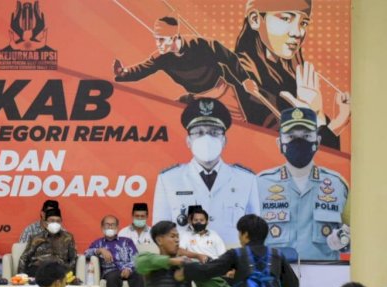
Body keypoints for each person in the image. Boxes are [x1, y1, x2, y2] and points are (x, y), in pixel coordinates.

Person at [235, 0, 350, 149]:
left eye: (303, 23)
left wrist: (338, 120)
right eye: (285, 19)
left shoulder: (289, 76)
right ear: (255, 19)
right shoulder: (242, 76)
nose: (297, 32)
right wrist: (316, 116)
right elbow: (291, 151)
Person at [152, 98, 260, 246]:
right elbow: (160, 234)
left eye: (214, 132)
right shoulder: (169, 179)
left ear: (224, 140)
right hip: (188, 264)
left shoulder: (246, 179)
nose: (207, 138)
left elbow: (255, 234)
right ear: (188, 141)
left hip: (233, 263)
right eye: (199, 132)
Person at [113, 16, 261, 122]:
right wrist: (124, 72)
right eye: (156, 38)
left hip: (220, 93)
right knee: (170, 114)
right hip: (195, 98)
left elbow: (230, 58)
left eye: (162, 39)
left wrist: (245, 79)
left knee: (239, 127)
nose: (157, 44)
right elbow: (141, 69)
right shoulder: (161, 57)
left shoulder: (202, 44)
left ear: (174, 37)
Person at [257, 107, 350, 260]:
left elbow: (356, 235)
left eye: (307, 136)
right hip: (275, 278)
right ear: (279, 142)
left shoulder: (338, 185)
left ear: (318, 142)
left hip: (324, 278)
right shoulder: (260, 184)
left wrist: (344, 241)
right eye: (291, 136)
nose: (299, 142)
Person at [85, 215, 145, 287]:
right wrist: (100, 250)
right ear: (102, 227)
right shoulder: (98, 243)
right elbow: (86, 254)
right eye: (107, 225)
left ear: (117, 227)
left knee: (139, 275)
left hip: (128, 269)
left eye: (113, 225)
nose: (110, 227)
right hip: (110, 271)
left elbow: (136, 258)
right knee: (112, 278)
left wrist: (128, 269)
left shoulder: (127, 241)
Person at [19, 207, 77, 276]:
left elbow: (73, 259)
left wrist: (69, 275)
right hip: (38, 269)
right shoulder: (36, 238)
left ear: (61, 223)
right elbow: (24, 258)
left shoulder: (68, 237)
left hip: (59, 270)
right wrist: (21, 276)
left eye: (58, 221)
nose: (55, 223)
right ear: (46, 223)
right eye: (52, 221)